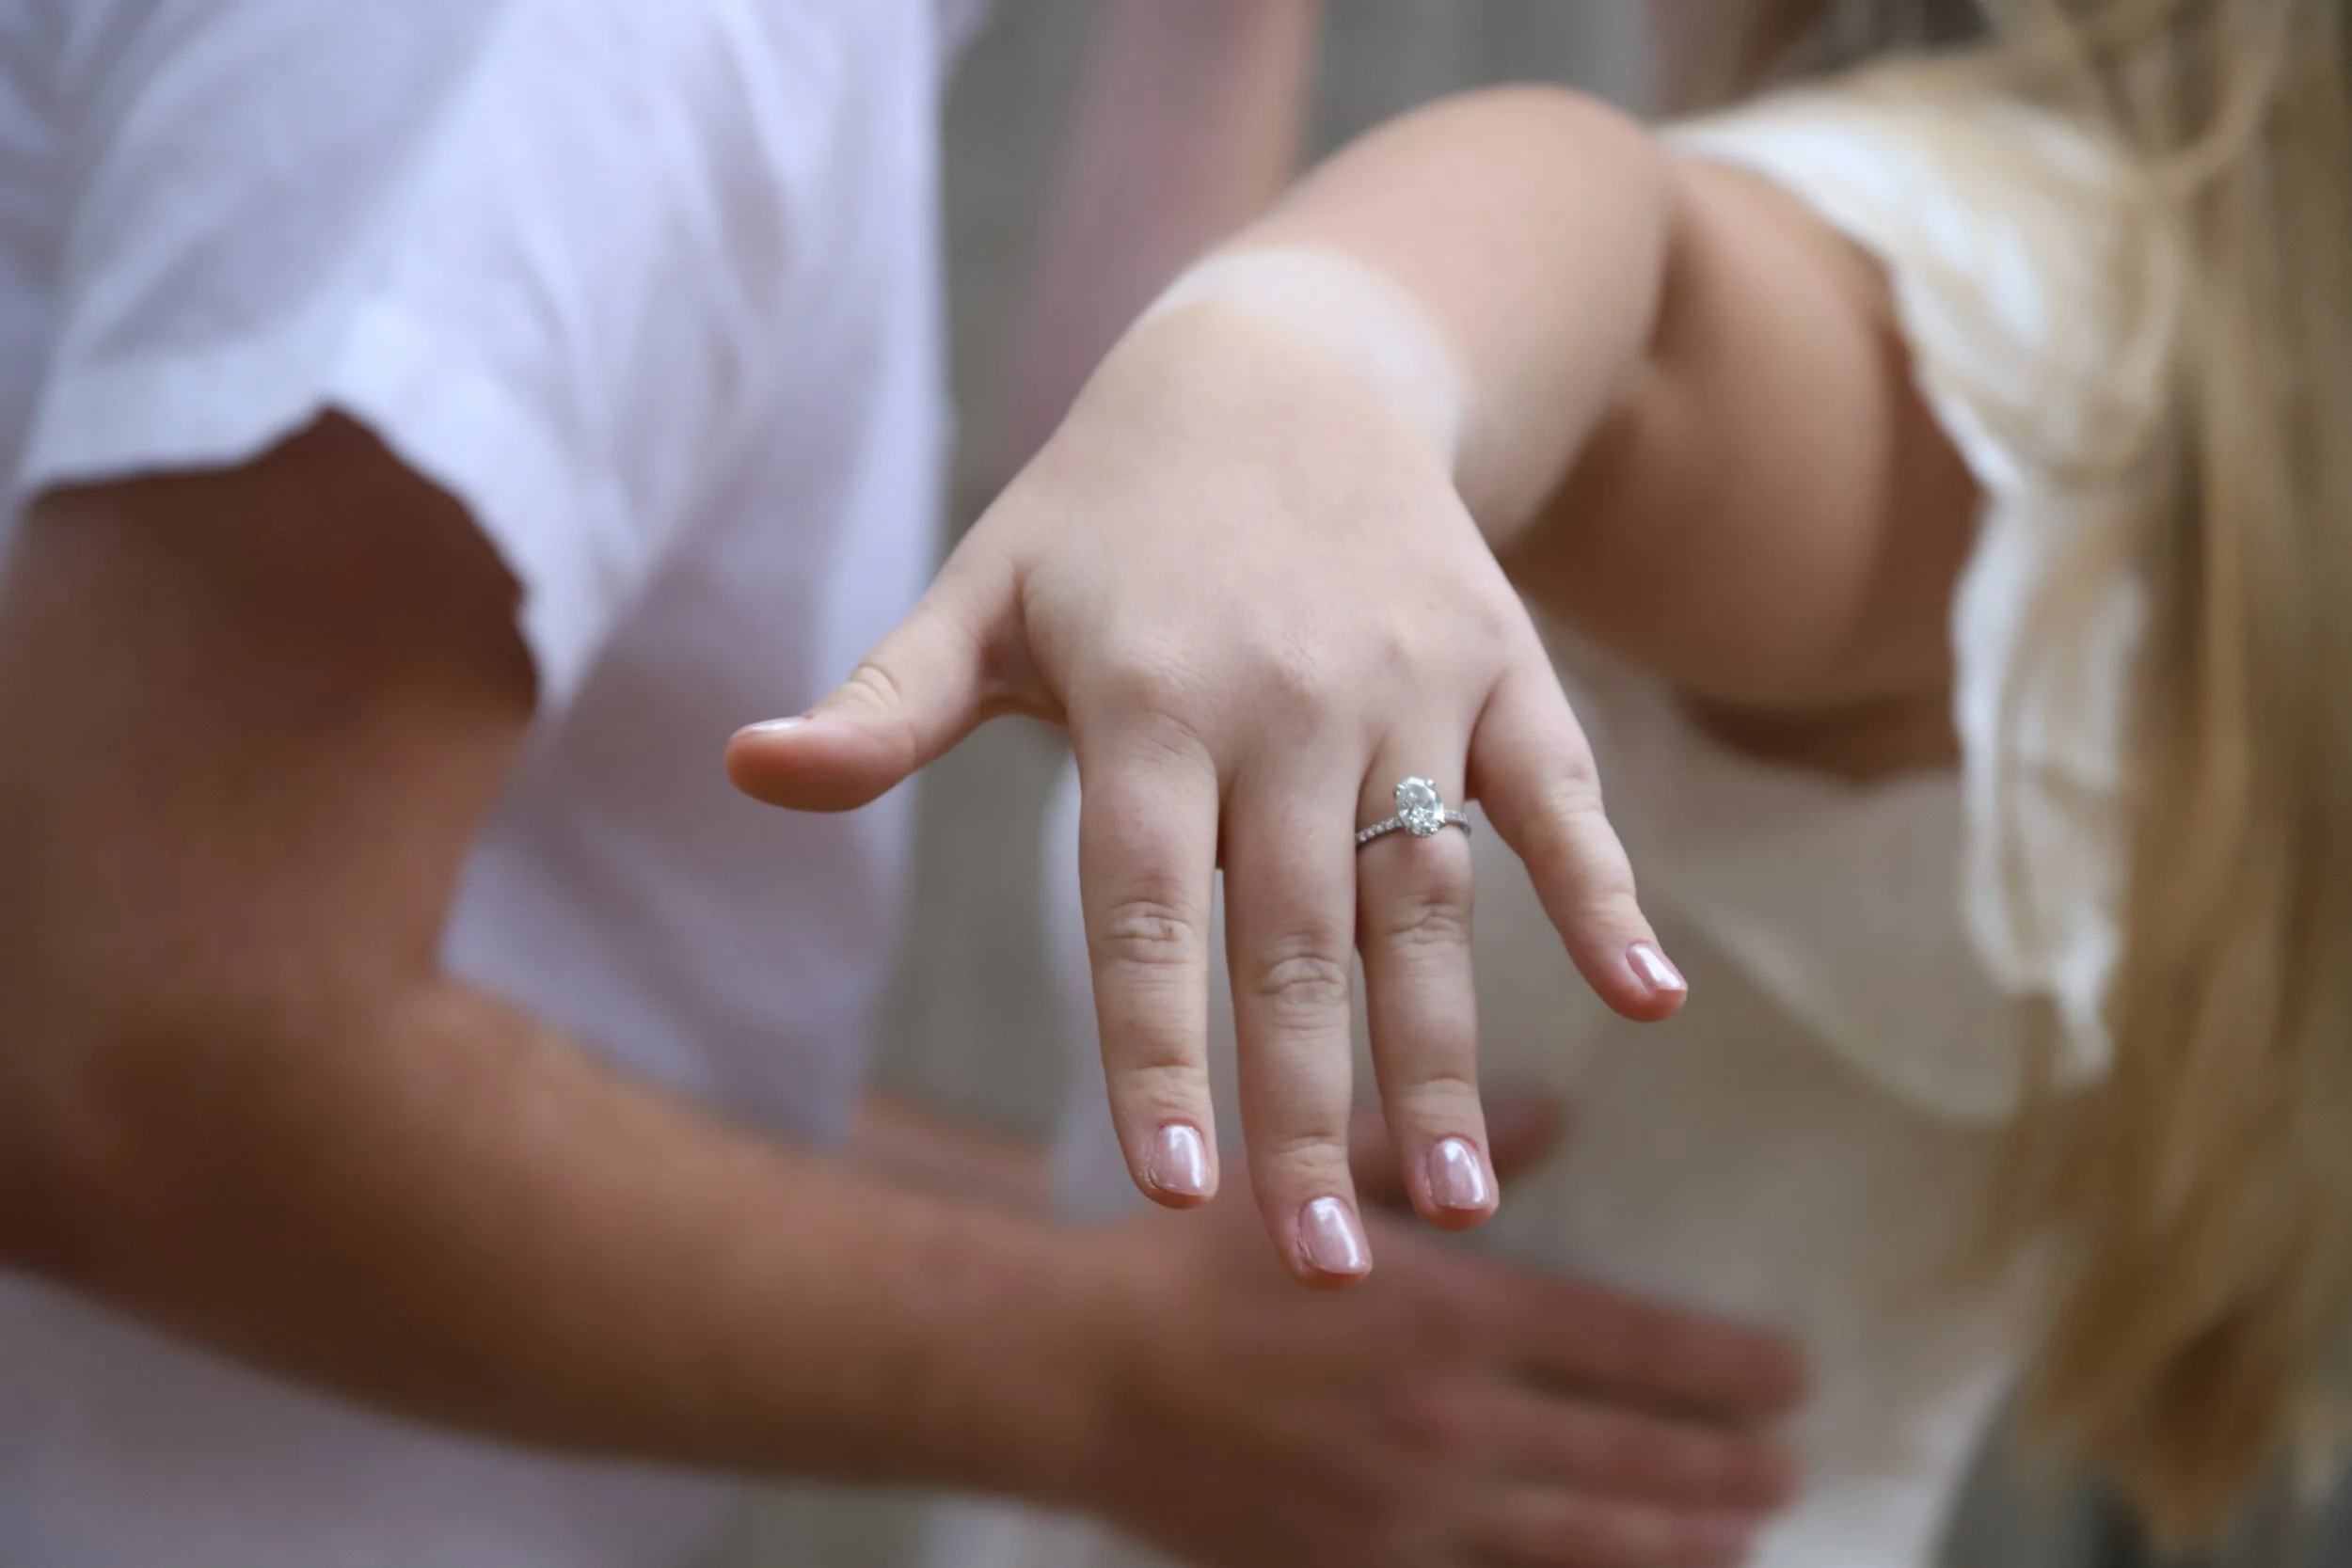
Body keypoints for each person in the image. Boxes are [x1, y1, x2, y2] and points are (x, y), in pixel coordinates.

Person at [0, 2, 1808, 1565]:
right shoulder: (568, 50)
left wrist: (1109, 1259)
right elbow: (131, 1046)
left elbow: (472, 961)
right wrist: (1100, 1361)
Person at [771, 0, 2352, 1563]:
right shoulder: (2224, 368)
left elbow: (1619, 247)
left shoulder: (1966, 301)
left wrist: (1304, 379)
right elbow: (1149, 612)